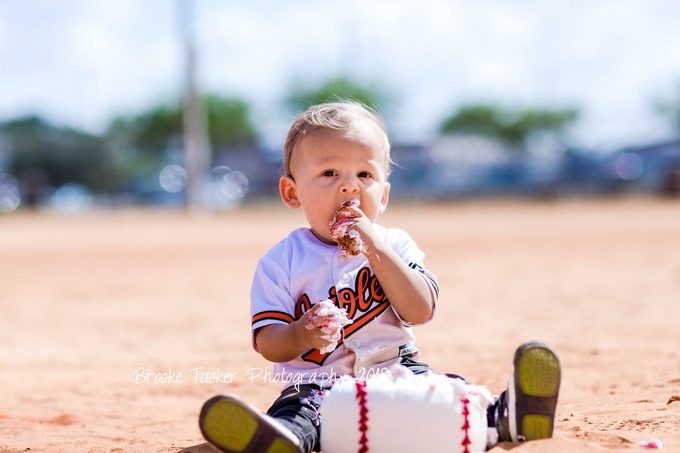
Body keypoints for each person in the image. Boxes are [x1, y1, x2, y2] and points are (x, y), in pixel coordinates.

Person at [198, 102, 561, 453]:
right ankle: (281, 440)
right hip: (317, 384)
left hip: (397, 372)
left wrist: (375, 247)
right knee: (301, 413)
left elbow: (420, 310)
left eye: (364, 175)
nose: (349, 187)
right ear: (292, 192)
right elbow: (268, 342)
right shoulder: (280, 262)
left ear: (383, 195)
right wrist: (301, 332)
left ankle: (506, 416)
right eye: (329, 173)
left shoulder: (396, 244)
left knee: (443, 393)